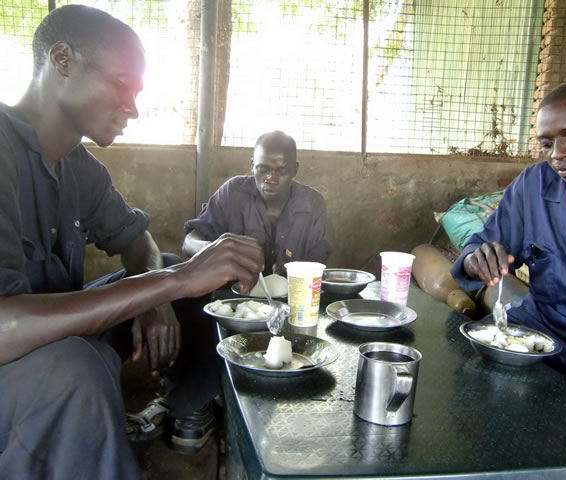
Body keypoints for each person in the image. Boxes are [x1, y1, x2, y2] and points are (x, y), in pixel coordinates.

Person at [0, 5, 264, 479]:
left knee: (174, 276)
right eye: (123, 85)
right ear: (62, 59)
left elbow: (134, 237)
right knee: (76, 369)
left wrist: (157, 285)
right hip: (16, 353)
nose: (134, 109)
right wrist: (170, 281)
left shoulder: (79, 167)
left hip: (50, 341)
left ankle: (185, 411)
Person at [451, 80, 566, 415]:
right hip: (535, 348)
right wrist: (476, 260)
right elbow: (480, 247)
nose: (558, 154)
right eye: (547, 143)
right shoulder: (534, 187)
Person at [182, 130, 331, 274]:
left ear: (295, 170)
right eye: (262, 169)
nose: (271, 178)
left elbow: (319, 257)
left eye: (282, 170)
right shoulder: (232, 193)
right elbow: (189, 242)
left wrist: (295, 271)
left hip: (292, 294)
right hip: (232, 294)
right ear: (252, 165)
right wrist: (216, 250)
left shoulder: (312, 204)